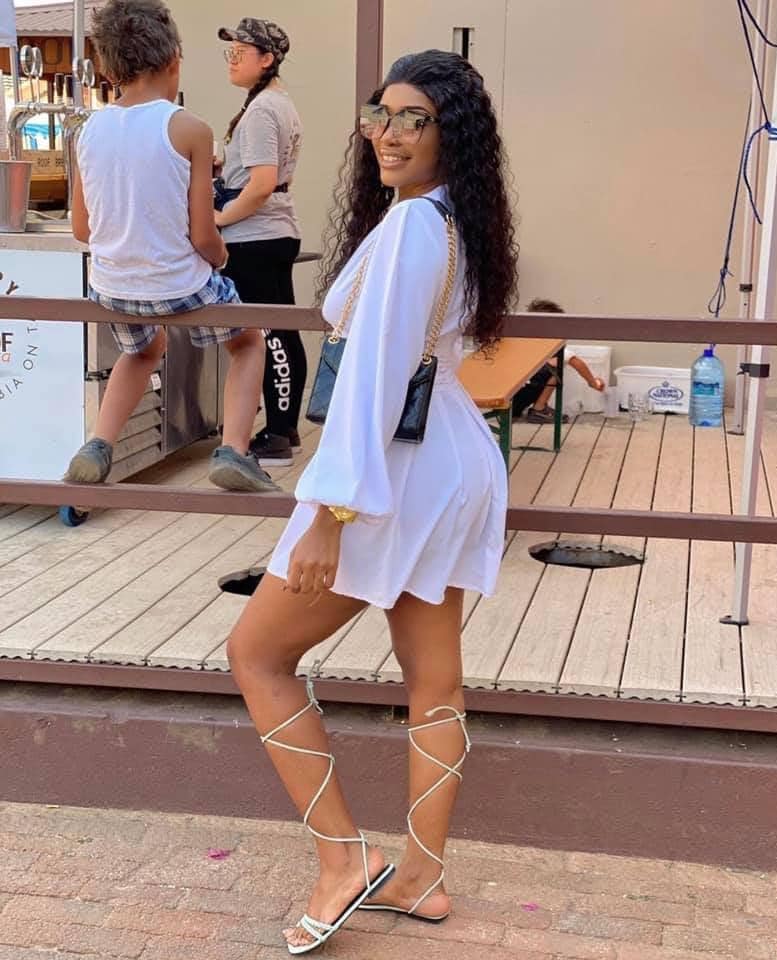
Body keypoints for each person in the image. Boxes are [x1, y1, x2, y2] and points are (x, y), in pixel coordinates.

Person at [226, 49, 519, 954]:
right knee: (434, 678)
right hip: (449, 461)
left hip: (395, 472)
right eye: (379, 114)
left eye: (412, 119)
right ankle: (422, 878)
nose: (387, 134)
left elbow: (371, 384)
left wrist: (325, 513)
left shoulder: (413, 229)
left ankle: (342, 858)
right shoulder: (454, 219)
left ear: (449, 134)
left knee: (258, 654)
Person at [64, 0, 277, 494]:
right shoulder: (190, 129)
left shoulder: (88, 130)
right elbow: (203, 235)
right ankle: (235, 451)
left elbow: (82, 229)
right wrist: (221, 258)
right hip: (180, 284)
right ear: (173, 59)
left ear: (108, 68)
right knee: (249, 342)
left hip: (113, 285)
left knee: (143, 351)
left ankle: (98, 444)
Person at [216, 18, 305, 469]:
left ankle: (277, 437)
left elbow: (262, 184)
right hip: (271, 232)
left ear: (267, 59)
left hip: (255, 236)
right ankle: (284, 428)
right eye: (229, 53)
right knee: (280, 328)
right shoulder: (274, 103)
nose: (231, 61)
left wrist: (219, 218)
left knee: (265, 334)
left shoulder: (262, 111)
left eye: (240, 53)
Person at [512, 298, 605, 423]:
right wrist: (593, 383)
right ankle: (539, 409)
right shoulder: (549, 346)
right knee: (557, 367)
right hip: (516, 400)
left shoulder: (525, 340)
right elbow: (576, 362)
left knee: (549, 367)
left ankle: (538, 408)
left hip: (510, 399)